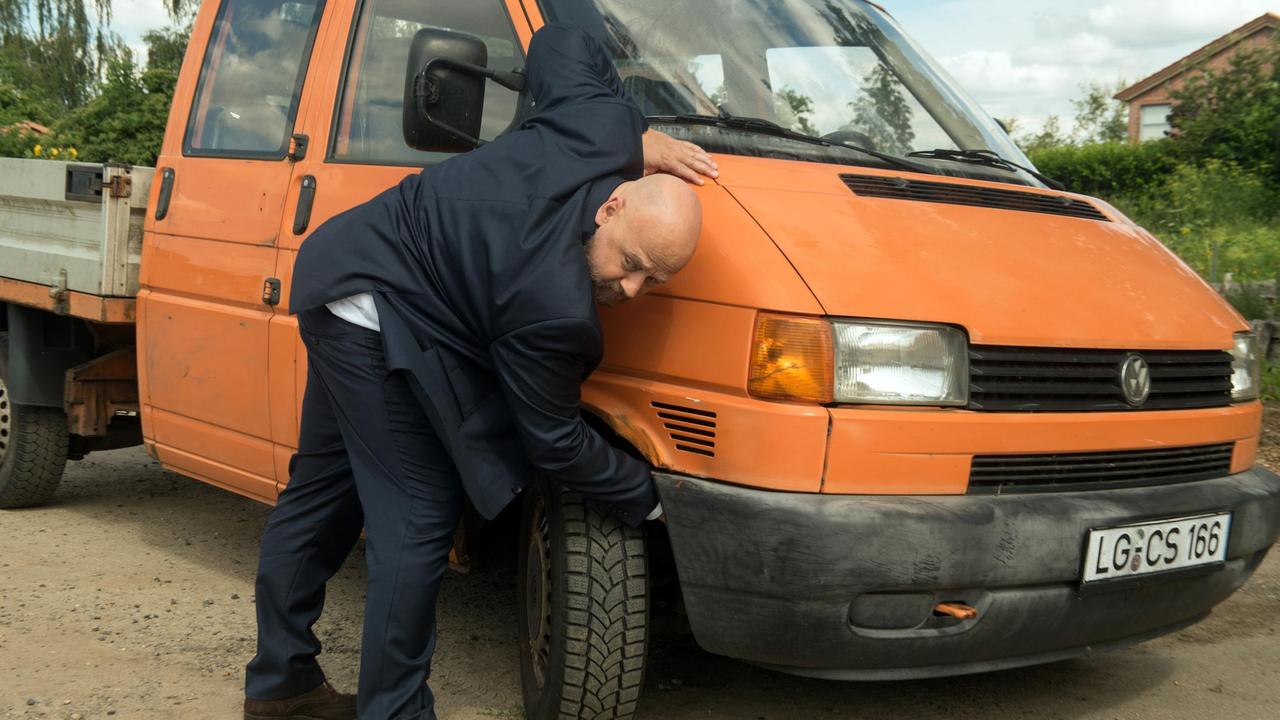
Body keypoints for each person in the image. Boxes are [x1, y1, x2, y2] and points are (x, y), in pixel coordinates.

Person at [242, 22, 715, 720]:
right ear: (613, 204)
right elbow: (553, 440)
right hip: (371, 309)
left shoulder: (589, 132)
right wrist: (650, 496)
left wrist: (626, 131)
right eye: (632, 262)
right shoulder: (552, 305)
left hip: (345, 263)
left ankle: (281, 685)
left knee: (326, 489)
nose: (632, 289)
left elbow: (563, 41)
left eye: (656, 280)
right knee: (418, 515)